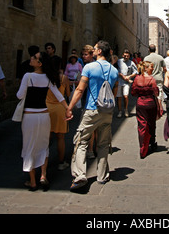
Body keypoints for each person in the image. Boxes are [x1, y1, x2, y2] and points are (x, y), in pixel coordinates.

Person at [66, 40, 118, 191]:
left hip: (91, 109)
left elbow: (80, 90)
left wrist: (69, 108)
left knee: (81, 142)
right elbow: (114, 91)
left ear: (100, 51)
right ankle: (102, 176)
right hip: (107, 111)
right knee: (103, 144)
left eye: (95, 48)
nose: (93, 50)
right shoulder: (114, 70)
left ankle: (80, 175)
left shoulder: (89, 67)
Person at [16, 51, 69, 190]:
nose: (31, 58)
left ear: (39, 63)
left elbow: (20, 95)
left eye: (34, 57)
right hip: (44, 115)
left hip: (30, 116)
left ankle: (33, 181)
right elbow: (59, 96)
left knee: (29, 145)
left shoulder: (28, 76)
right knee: (43, 145)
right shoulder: (48, 78)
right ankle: (43, 175)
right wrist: (68, 109)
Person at [131, 61, 159, 158]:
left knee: (141, 125)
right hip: (150, 103)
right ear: (146, 68)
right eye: (151, 67)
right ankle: (152, 142)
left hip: (140, 104)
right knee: (151, 123)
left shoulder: (137, 79)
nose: (152, 69)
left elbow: (133, 92)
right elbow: (156, 92)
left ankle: (142, 147)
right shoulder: (151, 79)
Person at [46, 69, 71, 170]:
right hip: (60, 108)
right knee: (60, 138)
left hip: (47, 108)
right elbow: (68, 94)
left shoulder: (45, 77)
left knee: (46, 138)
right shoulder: (64, 78)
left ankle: (43, 163)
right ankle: (61, 162)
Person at [116, 49, 138, 117]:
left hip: (126, 82)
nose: (126, 57)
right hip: (119, 81)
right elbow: (115, 70)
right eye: (125, 56)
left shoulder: (131, 63)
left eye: (127, 56)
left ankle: (126, 109)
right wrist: (121, 75)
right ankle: (119, 111)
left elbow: (136, 72)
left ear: (129, 56)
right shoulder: (118, 61)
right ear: (123, 55)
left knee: (125, 96)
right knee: (119, 97)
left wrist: (129, 76)